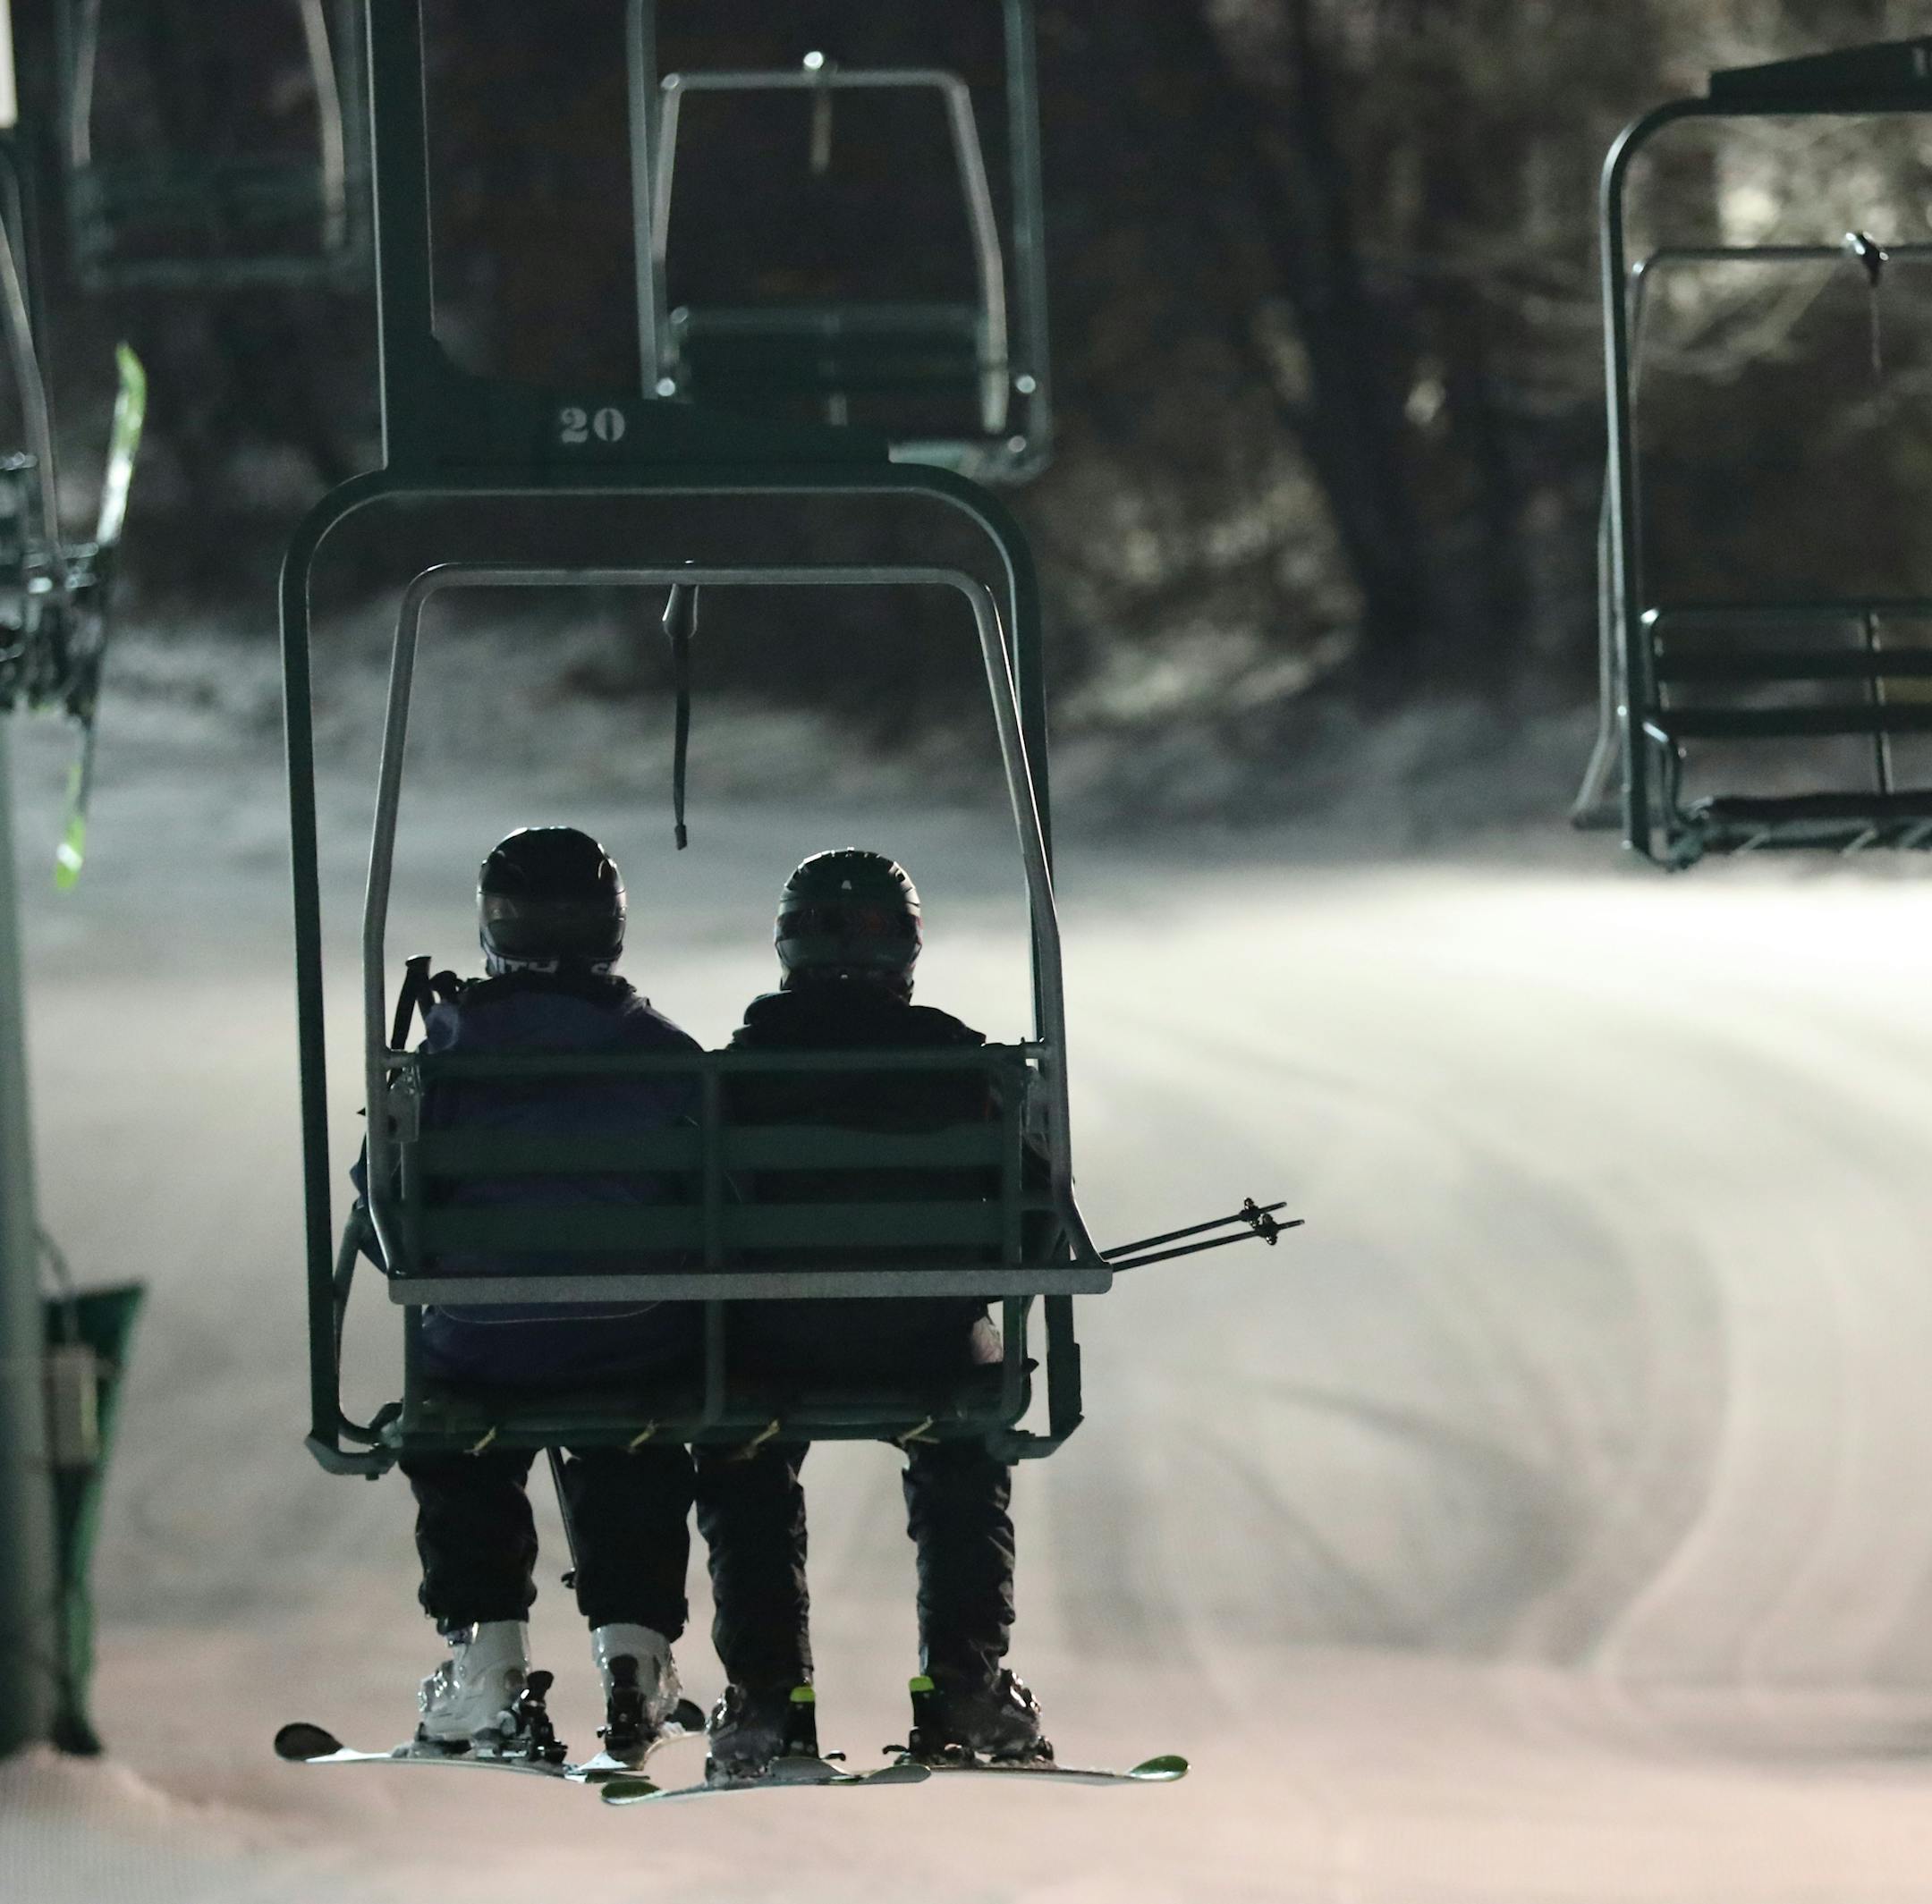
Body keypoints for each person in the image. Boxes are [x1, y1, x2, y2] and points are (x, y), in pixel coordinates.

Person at [693, 849, 1049, 1775]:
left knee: (744, 1451)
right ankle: (961, 1684)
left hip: (772, 1341)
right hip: (926, 1340)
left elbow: (692, 1225)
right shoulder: (972, 1067)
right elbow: (1037, 1218)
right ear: (909, 949)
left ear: (787, 946)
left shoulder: (730, 1077)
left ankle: (773, 1699)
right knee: (960, 1444)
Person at [369, 826, 701, 1763]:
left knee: (458, 1428)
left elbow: (382, 1193)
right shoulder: (661, 1049)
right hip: (633, 1333)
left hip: (481, 1335)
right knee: (630, 1425)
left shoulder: (444, 1050)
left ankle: (488, 1664)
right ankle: (634, 1653)